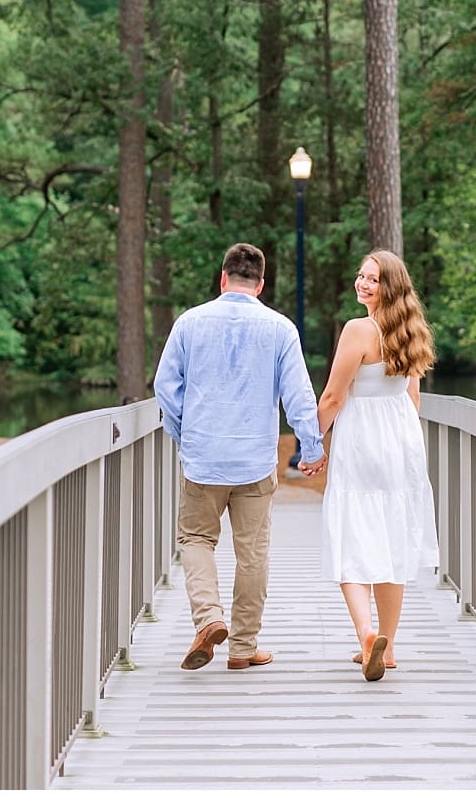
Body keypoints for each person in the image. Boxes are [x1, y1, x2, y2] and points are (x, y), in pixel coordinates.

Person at [154, 242, 327, 672]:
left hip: (203, 458)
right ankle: (243, 648)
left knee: (196, 539)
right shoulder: (280, 328)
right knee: (252, 552)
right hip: (254, 461)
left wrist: (183, 435)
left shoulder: (190, 322)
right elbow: (299, 396)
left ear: (223, 278)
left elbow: (164, 385)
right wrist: (311, 447)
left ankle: (209, 618)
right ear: (262, 284)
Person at [316, 249, 439, 681]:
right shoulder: (411, 329)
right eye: (361, 276)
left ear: (391, 286)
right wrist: (408, 447)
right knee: (391, 536)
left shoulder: (359, 330)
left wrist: (311, 443)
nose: (363, 284)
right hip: (401, 438)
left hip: (363, 437)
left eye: (373, 279)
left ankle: (368, 635)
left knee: (352, 534)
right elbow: (413, 397)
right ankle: (388, 647)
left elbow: (333, 396)